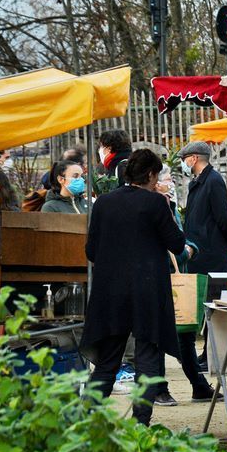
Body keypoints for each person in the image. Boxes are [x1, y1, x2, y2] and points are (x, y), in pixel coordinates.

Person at [80, 150, 187, 425]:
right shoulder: (155, 203)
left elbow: (91, 250)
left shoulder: (103, 202)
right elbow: (176, 244)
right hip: (147, 292)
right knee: (148, 357)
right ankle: (141, 423)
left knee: (107, 361)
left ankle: (88, 419)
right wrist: (169, 207)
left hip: (110, 292)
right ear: (151, 174)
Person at [179, 140, 227, 292]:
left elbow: (224, 217)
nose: (183, 163)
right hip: (199, 252)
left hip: (212, 253)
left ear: (194, 158)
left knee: (214, 299)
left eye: (184, 158)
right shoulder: (199, 182)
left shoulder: (213, 180)